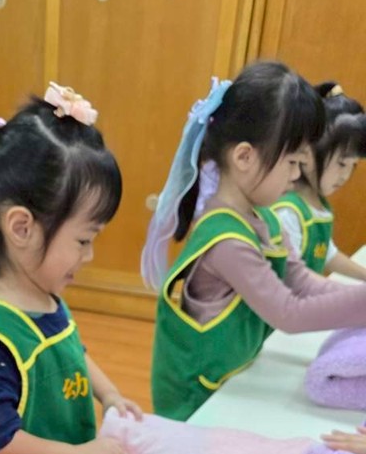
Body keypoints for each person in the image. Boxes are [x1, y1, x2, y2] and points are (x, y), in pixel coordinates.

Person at [0, 83, 140, 454]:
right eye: (83, 240)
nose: (89, 256)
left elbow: (72, 353)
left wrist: (109, 394)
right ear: (22, 228)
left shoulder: (45, 297)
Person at [142, 61, 366, 422]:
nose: (296, 176)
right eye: (292, 162)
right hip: (197, 400)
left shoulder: (263, 217)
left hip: (232, 380)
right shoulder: (226, 240)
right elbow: (287, 312)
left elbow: (301, 280)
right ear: (244, 157)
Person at [273, 81, 366, 277]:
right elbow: (294, 279)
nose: (345, 175)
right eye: (342, 163)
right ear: (308, 154)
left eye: (353, 165)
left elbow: (328, 254)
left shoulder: (317, 205)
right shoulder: (288, 213)